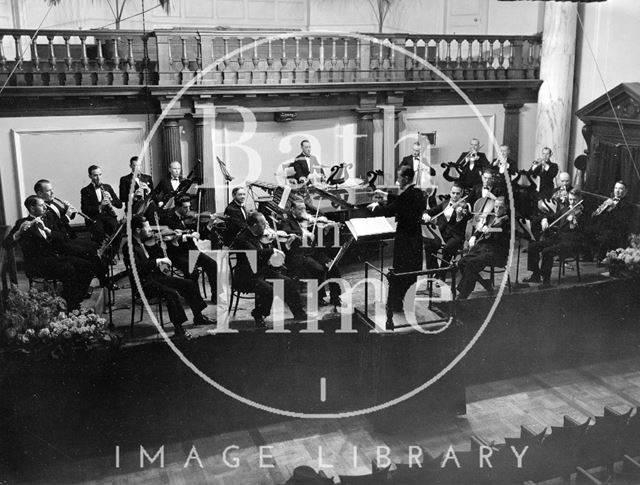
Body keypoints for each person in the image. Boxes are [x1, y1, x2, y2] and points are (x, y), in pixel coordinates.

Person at [124, 215, 214, 339]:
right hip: (143, 283)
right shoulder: (129, 247)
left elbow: (155, 258)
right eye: (147, 227)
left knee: (189, 284)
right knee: (171, 293)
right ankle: (179, 329)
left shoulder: (144, 242)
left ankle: (198, 316)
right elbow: (138, 267)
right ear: (138, 230)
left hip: (155, 277)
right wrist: (158, 261)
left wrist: (165, 246)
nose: (151, 229)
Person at [4, 196, 95, 310]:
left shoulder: (48, 219)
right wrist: (19, 233)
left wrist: (48, 231)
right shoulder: (22, 223)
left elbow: (61, 237)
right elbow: (6, 244)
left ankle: (74, 299)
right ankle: (72, 306)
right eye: (41, 205)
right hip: (38, 264)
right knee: (69, 269)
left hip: (55, 258)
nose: (45, 207)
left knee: (88, 267)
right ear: (32, 209)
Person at [367, 166, 425, 323]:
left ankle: (395, 306)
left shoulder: (406, 196)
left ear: (406, 178)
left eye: (399, 178)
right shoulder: (418, 193)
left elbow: (389, 210)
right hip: (416, 240)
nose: (397, 181)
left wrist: (375, 207)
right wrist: (386, 194)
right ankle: (407, 304)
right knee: (411, 272)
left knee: (399, 271)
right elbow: (401, 201)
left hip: (405, 240)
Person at [231, 211, 306, 327]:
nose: (266, 227)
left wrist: (273, 242)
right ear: (254, 225)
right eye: (263, 224)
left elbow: (265, 250)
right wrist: (272, 250)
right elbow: (255, 253)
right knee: (268, 289)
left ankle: (299, 312)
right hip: (247, 276)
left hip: (262, 272)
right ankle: (259, 314)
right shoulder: (243, 238)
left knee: (288, 282)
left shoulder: (260, 235)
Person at [35, 179, 110, 288]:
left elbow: (66, 217)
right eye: (49, 191)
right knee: (90, 252)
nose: (52, 193)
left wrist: (68, 210)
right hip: (60, 243)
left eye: (52, 190)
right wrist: (67, 216)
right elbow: (54, 228)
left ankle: (98, 276)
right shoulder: (42, 209)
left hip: (68, 237)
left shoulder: (53, 202)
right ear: (40, 193)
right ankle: (100, 278)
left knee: (93, 246)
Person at [279, 199, 342, 306]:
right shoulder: (286, 219)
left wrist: (327, 227)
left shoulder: (307, 219)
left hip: (313, 252)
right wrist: (303, 231)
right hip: (298, 255)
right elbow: (287, 231)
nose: (303, 211)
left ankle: (335, 297)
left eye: (304, 208)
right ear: (292, 209)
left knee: (333, 266)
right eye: (300, 209)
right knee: (318, 269)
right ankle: (319, 297)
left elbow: (318, 235)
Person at [160, 194, 219, 303]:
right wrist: (187, 235)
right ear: (177, 207)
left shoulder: (191, 218)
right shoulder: (167, 218)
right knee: (192, 271)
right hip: (176, 253)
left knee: (213, 264)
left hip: (192, 251)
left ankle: (215, 296)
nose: (188, 209)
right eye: (185, 207)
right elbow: (168, 238)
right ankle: (195, 299)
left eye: (189, 207)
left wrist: (209, 224)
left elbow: (203, 235)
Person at [525, 189, 585, 288]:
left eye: (575, 200)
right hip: (558, 239)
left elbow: (583, 231)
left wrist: (574, 222)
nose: (572, 202)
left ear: (580, 199)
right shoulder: (565, 209)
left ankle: (546, 281)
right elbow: (552, 216)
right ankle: (535, 275)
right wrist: (544, 219)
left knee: (547, 251)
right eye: (570, 199)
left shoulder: (583, 213)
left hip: (571, 243)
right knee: (532, 246)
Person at [457, 196, 510, 300]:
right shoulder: (491, 217)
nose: (497, 210)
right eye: (495, 207)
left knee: (471, 264)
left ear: (506, 207)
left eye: (500, 207)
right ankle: (485, 284)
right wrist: (474, 236)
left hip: (497, 252)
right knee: (462, 262)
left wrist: (491, 230)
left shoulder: (508, 222)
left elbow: (502, 235)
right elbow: (481, 229)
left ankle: (463, 294)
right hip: (482, 249)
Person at [422, 183, 472, 270]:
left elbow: (467, 217)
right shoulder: (445, 203)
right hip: (442, 234)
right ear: (450, 193)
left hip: (456, 236)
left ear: (461, 194)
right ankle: (433, 270)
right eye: (453, 193)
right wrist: (426, 214)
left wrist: (459, 215)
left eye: (458, 193)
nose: (455, 196)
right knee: (428, 246)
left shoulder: (465, 206)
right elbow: (430, 211)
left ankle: (442, 273)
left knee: (447, 248)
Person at [590, 180, 634, 261]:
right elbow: (595, 216)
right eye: (615, 188)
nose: (617, 191)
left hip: (617, 231)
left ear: (626, 191)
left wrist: (613, 206)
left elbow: (621, 221)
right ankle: (590, 257)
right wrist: (603, 208)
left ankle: (601, 259)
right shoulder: (609, 200)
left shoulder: (628, 205)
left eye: (620, 189)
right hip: (604, 228)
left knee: (606, 236)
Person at [80, 164, 123, 243]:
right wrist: (100, 206)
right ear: (90, 176)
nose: (98, 178)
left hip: (109, 217)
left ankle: (112, 254)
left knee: (118, 234)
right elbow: (84, 209)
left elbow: (119, 205)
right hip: (95, 219)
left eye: (100, 175)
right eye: (95, 175)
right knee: (100, 235)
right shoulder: (85, 190)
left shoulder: (107, 187)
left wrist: (111, 200)